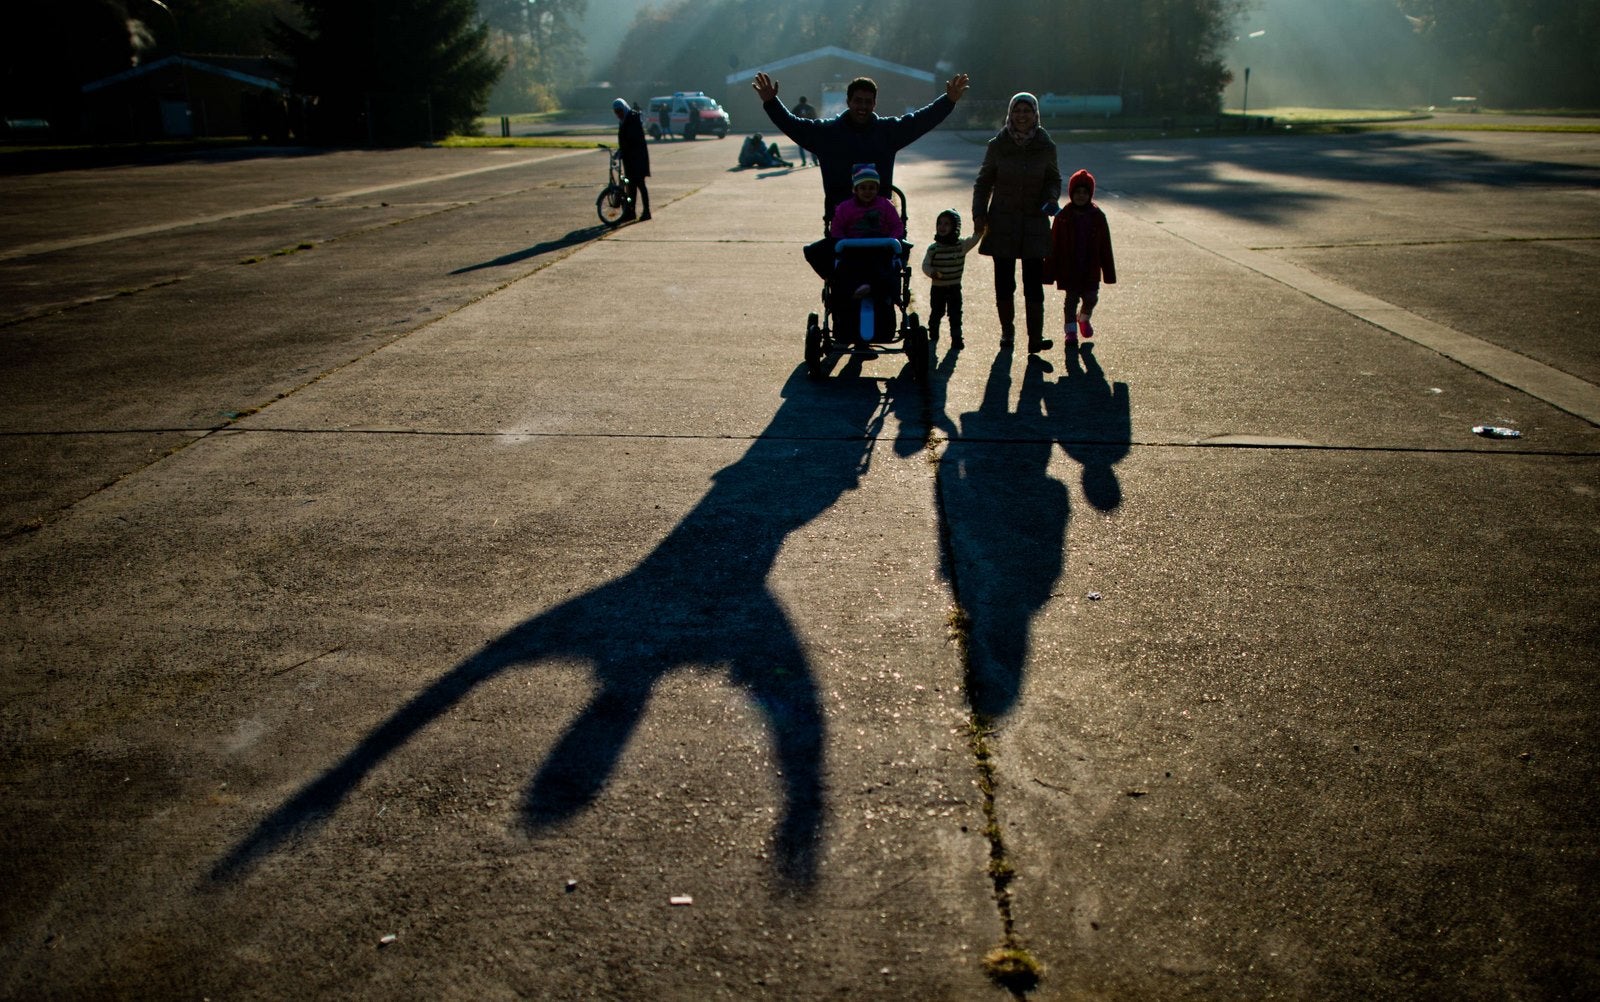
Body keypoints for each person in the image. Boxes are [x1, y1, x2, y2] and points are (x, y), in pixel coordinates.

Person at [752, 70, 971, 220]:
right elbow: (793, 125)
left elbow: (921, 121)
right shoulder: (828, 134)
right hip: (841, 219)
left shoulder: (887, 132)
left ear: (875, 104)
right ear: (848, 102)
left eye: (868, 102)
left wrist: (948, 101)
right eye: (858, 101)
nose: (862, 107)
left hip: (880, 219)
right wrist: (771, 103)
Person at [973, 92, 1060, 354]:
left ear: (1035, 114)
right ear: (1010, 114)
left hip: (1034, 223)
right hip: (1002, 222)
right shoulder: (997, 145)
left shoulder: (1046, 146)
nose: (1022, 116)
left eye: (1027, 111)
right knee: (1004, 282)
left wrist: (1051, 198)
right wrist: (979, 213)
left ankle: (1035, 338)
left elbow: (1053, 179)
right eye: (1017, 111)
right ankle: (1007, 332)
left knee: (1033, 282)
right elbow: (984, 181)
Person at [1051, 168, 1117, 345]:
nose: (1081, 196)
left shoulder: (1097, 216)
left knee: (1091, 297)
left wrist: (1108, 273)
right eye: (1077, 192)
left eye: (1084, 193)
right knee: (1070, 301)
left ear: (1090, 194)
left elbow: (1105, 246)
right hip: (1069, 268)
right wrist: (1049, 271)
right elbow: (1053, 244)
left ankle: (1084, 317)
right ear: (1071, 193)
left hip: (1090, 268)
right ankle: (1070, 332)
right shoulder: (1063, 216)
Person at [830, 164, 905, 301]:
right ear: (855, 189)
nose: (867, 192)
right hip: (853, 247)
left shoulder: (885, 205)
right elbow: (836, 228)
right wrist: (842, 241)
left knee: (886, 268)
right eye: (863, 188)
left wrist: (893, 240)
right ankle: (856, 290)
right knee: (845, 268)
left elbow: (897, 225)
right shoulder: (845, 208)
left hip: (880, 246)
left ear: (877, 189)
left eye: (872, 188)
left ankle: (870, 287)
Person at [920, 209, 984, 348]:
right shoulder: (934, 248)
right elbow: (925, 265)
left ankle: (957, 338)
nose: (942, 227)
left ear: (955, 227)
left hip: (954, 286)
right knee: (937, 311)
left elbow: (974, 239)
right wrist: (932, 272)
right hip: (938, 287)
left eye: (947, 224)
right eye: (940, 223)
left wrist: (980, 229)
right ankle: (933, 332)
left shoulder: (961, 245)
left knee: (955, 314)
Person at [612, 97, 651, 221]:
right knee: (631, 187)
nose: (618, 114)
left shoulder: (632, 119)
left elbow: (635, 140)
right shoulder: (624, 120)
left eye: (619, 111)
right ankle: (631, 211)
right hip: (629, 159)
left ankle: (646, 211)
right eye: (616, 112)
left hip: (638, 159)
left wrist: (624, 150)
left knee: (640, 185)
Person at [790, 95, 817, 166]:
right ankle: (815, 161)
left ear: (800, 101)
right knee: (813, 146)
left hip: (800, 129)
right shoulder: (810, 108)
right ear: (806, 101)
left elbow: (791, 118)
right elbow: (815, 118)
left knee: (801, 146)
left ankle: (804, 161)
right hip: (810, 129)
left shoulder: (796, 108)